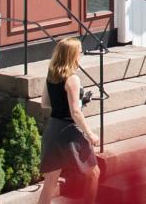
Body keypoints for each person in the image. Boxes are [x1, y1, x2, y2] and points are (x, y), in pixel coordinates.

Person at [38, 37, 102, 204]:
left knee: (50, 182)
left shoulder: (51, 76)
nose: (81, 55)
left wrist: (77, 100)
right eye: (79, 52)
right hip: (68, 132)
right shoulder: (72, 78)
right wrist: (90, 133)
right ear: (73, 55)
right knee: (94, 172)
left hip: (52, 130)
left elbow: (45, 103)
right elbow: (75, 112)